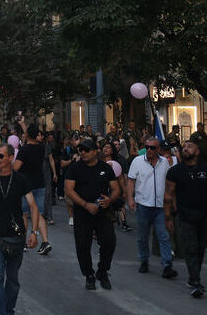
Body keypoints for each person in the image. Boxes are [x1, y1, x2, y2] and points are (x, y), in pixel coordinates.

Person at [0, 143, 39, 315]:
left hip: (15, 237)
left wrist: (34, 232)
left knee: (12, 279)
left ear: (11, 158)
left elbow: (33, 206)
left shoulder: (21, 180)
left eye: (1, 156)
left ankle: (8, 309)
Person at [64, 137, 121, 290]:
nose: (82, 153)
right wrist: (85, 204)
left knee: (109, 241)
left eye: (86, 150)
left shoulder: (105, 168)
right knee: (83, 245)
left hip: (102, 212)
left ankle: (102, 271)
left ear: (96, 151)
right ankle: (89, 274)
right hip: (83, 212)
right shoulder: (75, 168)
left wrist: (110, 200)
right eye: (80, 150)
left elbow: (116, 189)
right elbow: (68, 190)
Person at [127, 136, 177, 278]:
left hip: (160, 207)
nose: (149, 150)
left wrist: (172, 203)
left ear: (158, 149)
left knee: (164, 236)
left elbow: (169, 184)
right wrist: (130, 198)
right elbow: (131, 181)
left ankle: (167, 265)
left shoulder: (164, 163)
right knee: (142, 236)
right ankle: (144, 260)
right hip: (143, 205)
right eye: (147, 147)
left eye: (152, 148)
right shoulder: (137, 162)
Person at [165, 138, 207, 298]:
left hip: (203, 216)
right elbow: (168, 195)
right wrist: (168, 216)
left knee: (201, 247)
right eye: (184, 146)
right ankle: (196, 282)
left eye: (190, 146)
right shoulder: (175, 171)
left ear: (198, 151)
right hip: (185, 215)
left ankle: (192, 277)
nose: (186, 149)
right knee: (190, 248)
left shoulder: (205, 168)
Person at [13, 124, 52, 255]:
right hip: (40, 183)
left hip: (26, 185)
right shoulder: (41, 148)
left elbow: (16, 167)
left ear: (27, 135)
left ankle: (23, 242)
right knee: (39, 213)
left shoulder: (24, 150)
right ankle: (45, 241)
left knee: (24, 213)